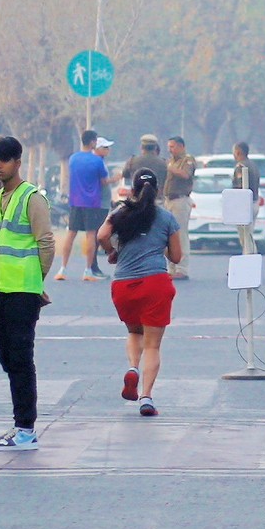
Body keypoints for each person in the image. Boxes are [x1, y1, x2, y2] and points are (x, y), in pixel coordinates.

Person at [0, 135, 53, 450]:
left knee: (21, 358)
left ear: (17, 163)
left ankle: (26, 428)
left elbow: (46, 242)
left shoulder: (31, 198)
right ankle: (19, 424)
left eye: (4, 160)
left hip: (23, 290)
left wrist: (37, 280)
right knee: (7, 356)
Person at [99, 166, 185, 415]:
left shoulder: (120, 212)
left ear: (132, 189)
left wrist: (112, 252)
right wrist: (160, 245)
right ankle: (146, 397)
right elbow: (176, 257)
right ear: (157, 190)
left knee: (134, 331)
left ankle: (133, 368)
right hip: (155, 284)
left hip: (124, 286)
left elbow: (102, 235)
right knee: (153, 346)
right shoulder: (166, 217)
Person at [58, 133, 109, 280]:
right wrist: (116, 178)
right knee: (90, 235)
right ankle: (87, 270)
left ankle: (62, 269)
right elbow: (103, 181)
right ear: (92, 142)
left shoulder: (73, 158)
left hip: (75, 201)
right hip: (92, 202)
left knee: (71, 234)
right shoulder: (97, 161)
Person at [161, 136, 197, 277]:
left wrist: (170, 168)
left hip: (180, 200)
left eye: (172, 147)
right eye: (169, 147)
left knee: (180, 234)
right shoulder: (171, 161)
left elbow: (185, 174)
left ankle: (182, 268)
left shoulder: (187, 160)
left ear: (181, 146)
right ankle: (172, 267)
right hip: (169, 200)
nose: (170, 150)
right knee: (169, 235)